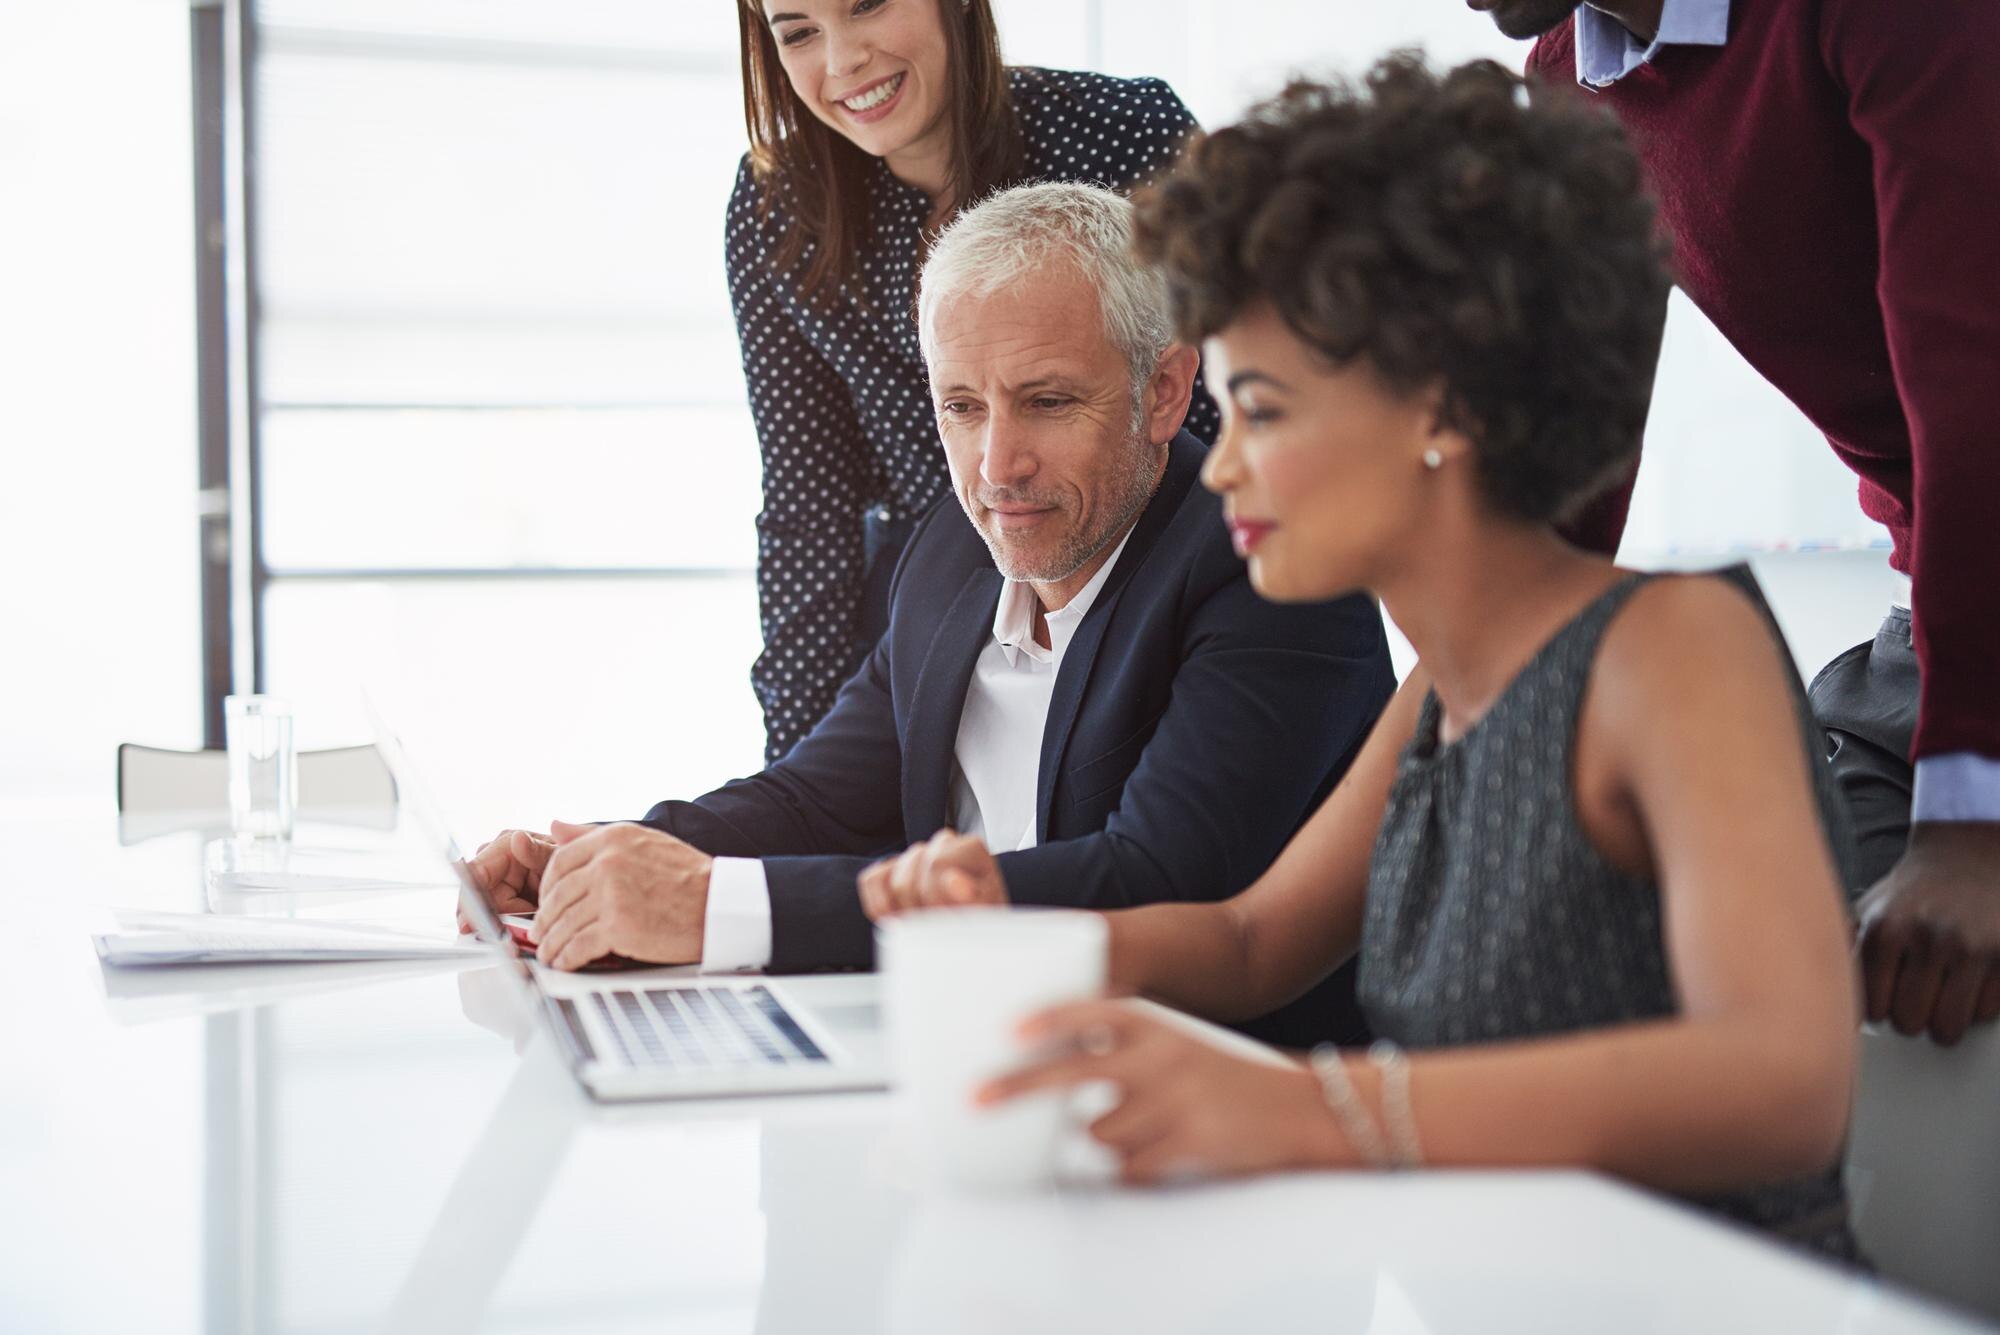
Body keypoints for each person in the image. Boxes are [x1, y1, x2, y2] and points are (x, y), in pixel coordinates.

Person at [869, 60, 1865, 1260]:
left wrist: (1316, 1110)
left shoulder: (1671, 652)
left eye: (1263, 410)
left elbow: (1784, 1082)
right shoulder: (1443, 691)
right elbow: (1247, 944)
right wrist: (1005, 924)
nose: (1220, 468)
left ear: (1437, 408)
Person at [470, 183, 1394, 1044]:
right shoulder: (953, 549)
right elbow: (817, 798)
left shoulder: (1267, 566)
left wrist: (715, 906)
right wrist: (604, 863)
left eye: (1047, 402)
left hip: (1212, 1117)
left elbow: (1153, 883)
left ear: (1164, 391)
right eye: (961, 405)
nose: (997, 465)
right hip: (966, 1055)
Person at [1452, 0, 2000, 1047]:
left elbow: (1974, 393)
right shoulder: (1572, 77)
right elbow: (1576, 471)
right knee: (1756, 963)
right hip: (1931, 619)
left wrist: (1972, 818)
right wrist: (1474, 756)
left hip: (1966, 635)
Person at [728, 0, 1220, 763]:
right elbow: (808, 506)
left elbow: (1215, 421)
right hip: (925, 629)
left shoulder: (1123, 131)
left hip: (1142, 603)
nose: (842, 60)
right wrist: (796, 772)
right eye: (798, 33)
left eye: (866, 5)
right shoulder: (780, 204)